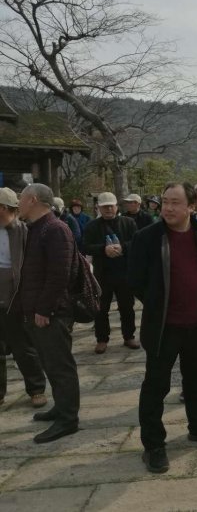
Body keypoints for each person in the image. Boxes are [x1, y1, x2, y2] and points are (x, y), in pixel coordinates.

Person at [128, 182, 197, 474]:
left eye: (175, 202)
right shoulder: (148, 237)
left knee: (195, 380)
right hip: (164, 327)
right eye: (165, 201)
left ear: (191, 207)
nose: (168, 208)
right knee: (156, 385)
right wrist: (160, 304)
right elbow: (135, 280)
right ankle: (153, 445)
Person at [13, 183, 80, 444]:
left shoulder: (55, 229)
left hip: (52, 313)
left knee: (60, 366)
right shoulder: (36, 228)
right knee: (50, 364)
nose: (18, 203)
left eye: (21, 198)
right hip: (38, 312)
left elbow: (59, 275)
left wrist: (44, 309)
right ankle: (61, 408)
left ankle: (68, 419)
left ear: (32, 200)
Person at [0, 187, 47, 409]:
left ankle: (36, 389)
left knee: (23, 346)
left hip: (15, 297)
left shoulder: (24, 231)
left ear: (3, 208)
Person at [82, 192, 139, 354]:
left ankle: (129, 336)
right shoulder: (92, 226)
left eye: (111, 206)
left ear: (116, 206)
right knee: (101, 309)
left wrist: (123, 247)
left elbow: (136, 242)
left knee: (127, 307)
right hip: (103, 274)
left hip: (124, 272)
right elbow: (86, 246)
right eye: (104, 206)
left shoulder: (128, 223)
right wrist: (103, 249)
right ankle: (102, 339)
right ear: (98, 208)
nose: (108, 209)